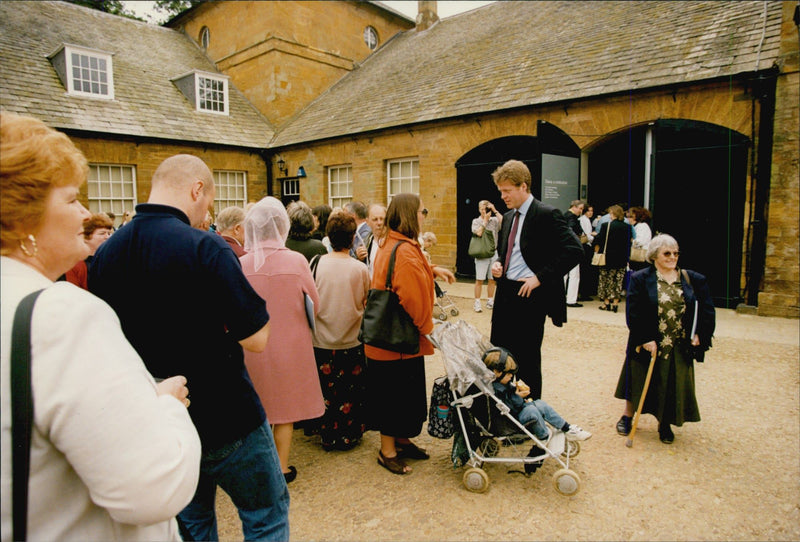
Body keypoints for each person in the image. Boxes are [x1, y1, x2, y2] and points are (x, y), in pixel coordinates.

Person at [0, 113, 201, 541]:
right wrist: (163, 405)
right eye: (72, 199)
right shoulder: (59, 316)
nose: (86, 213)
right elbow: (154, 487)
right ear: (24, 217)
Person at [89, 154, 289, 541]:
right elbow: (257, 338)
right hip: (227, 414)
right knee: (265, 514)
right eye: (209, 202)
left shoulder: (107, 254)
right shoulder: (206, 247)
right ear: (197, 189)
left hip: (160, 414)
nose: (207, 212)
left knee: (193, 526)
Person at [240, 197, 325, 482]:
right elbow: (315, 302)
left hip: (252, 344)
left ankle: (257, 466)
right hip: (290, 345)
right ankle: (282, 466)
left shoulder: (241, 263)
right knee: (284, 410)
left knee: (256, 408)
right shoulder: (296, 260)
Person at [490, 160, 583, 401]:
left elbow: (574, 250)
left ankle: (530, 412)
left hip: (529, 296)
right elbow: (507, 251)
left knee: (527, 357)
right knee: (499, 353)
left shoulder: (547, 214)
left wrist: (539, 278)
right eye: (501, 191)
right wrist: (498, 265)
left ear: (524, 186)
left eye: (507, 191)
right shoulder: (508, 217)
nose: (503, 197)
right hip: (505, 293)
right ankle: (505, 407)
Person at [614, 234, 715, 444]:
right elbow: (634, 312)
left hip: (678, 343)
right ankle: (628, 416)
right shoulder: (640, 278)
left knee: (672, 383)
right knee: (638, 379)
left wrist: (700, 335)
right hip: (649, 342)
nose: (672, 257)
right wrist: (644, 338)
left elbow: (707, 310)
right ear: (654, 256)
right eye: (667, 253)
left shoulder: (692, 278)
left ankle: (665, 423)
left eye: (675, 253)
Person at [366, 193, 435, 475]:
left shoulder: (395, 243)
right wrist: (428, 328)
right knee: (393, 396)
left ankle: (401, 441)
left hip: (395, 341)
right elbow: (413, 298)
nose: (424, 215)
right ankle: (388, 451)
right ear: (410, 215)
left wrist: (433, 270)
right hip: (395, 341)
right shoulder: (403, 249)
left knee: (402, 394)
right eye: (422, 211)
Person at [310, 210, 371, 451]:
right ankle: (349, 433)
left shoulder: (315, 264)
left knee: (326, 391)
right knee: (350, 392)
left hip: (321, 340)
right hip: (351, 340)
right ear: (352, 237)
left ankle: (327, 433)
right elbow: (367, 302)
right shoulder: (359, 269)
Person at [483, 347, 591, 448]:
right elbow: (509, 405)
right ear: (496, 372)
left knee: (540, 404)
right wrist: (518, 398)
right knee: (532, 411)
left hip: (516, 412)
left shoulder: (502, 383)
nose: (511, 376)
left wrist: (518, 395)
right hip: (509, 421)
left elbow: (510, 400)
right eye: (508, 374)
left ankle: (566, 428)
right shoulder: (496, 389)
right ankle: (543, 437)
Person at [592, 204, 632, 312]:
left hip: (607, 257)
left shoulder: (606, 225)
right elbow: (629, 242)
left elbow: (599, 240)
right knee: (618, 281)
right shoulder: (627, 227)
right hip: (621, 258)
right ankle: (615, 303)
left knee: (605, 280)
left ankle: (606, 303)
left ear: (612, 214)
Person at [63, 212, 113, 289]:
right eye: (102, 233)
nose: (107, 237)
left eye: (109, 233)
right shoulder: (74, 265)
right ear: (86, 237)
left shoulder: (111, 259)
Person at [471, 199, 502, 312]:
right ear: (479, 209)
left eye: (486, 209)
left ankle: (490, 300)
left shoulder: (494, 220)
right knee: (479, 279)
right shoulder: (476, 221)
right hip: (481, 254)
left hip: (493, 253)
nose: (484, 211)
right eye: (482, 209)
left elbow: (504, 222)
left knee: (492, 279)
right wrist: (485, 221)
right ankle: (477, 302)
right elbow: (479, 233)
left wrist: (495, 210)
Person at [563, 199, 585, 308]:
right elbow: (571, 230)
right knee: (574, 275)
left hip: (563, 248)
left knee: (564, 274)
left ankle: (562, 297)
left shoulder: (564, 215)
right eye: (580, 208)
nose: (581, 211)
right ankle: (571, 299)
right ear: (574, 207)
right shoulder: (572, 218)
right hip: (572, 248)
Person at [578, 204, 596, 301]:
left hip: (585, 245)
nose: (591, 213)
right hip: (586, 246)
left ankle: (583, 292)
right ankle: (584, 293)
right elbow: (587, 236)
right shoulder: (585, 220)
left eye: (592, 211)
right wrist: (593, 236)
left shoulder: (584, 220)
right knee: (585, 270)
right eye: (589, 211)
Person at [628, 206, 653, 272]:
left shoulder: (642, 226)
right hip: (637, 257)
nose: (628, 219)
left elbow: (640, 242)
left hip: (641, 257)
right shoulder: (635, 226)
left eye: (631, 217)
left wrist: (631, 240)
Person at [365, 203, 386, 278]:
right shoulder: (366, 242)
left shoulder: (392, 242)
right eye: (375, 219)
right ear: (367, 222)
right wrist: (360, 258)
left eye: (382, 219)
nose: (379, 223)